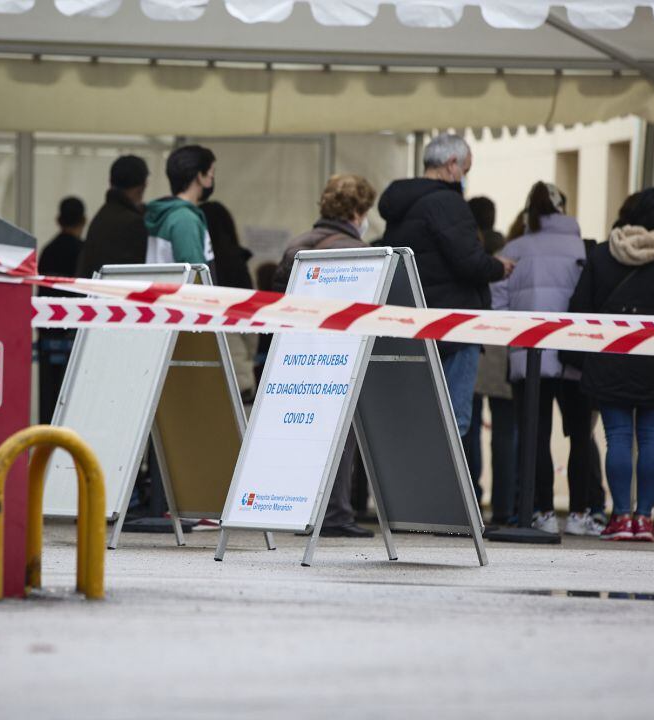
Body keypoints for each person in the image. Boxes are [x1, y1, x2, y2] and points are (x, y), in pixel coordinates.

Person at [569, 188, 654, 542]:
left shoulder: (602, 255)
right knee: (653, 438)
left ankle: (621, 517)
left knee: (618, 439)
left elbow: (579, 309)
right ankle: (645, 519)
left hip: (611, 359)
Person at [377, 133, 514, 438]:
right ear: (451, 165)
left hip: (413, 323)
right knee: (452, 423)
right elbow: (469, 261)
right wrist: (498, 266)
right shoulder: (448, 203)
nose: (465, 178)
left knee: (416, 418)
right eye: (465, 170)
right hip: (453, 326)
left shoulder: (402, 205)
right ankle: (441, 486)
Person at [491, 182, 603, 536]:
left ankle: (541, 510)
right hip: (575, 355)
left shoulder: (514, 249)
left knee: (535, 436)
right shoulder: (582, 250)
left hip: (528, 358)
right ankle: (581, 512)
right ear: (563, 210)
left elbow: (498, 307)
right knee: (580, 436)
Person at [274, 174, 378, 538]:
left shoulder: (296, 246)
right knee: (340, 437)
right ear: (356, 210)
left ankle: (294, 505)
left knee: (301, 434)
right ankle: (335, 513)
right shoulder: (362, 254)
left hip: (297, 355)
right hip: (339, 356)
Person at [464, 196, 517, 525]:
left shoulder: (469, 252)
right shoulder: (508, 252)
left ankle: (471, 497)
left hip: (473, 340)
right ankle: (504, 507)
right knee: (505, 431)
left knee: (468, 427)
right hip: (505, 348)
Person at [201, 201, 258, 400]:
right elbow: (252, 318)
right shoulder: (236, 262)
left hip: (204, 372)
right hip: (238, 369)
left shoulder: (199, 265)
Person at [37, 197, 86, 422]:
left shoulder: (48, 251)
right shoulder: (83, 251)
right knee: (73, 399)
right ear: (84, 220)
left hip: (48, 335)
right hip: (74, 335)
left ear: (58, 220)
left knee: (49, 399)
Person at [77, 155, 150, 277]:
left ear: (110, 181)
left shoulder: (103, 215)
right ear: (142, 186)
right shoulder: (133, 223)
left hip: (93, 292)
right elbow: (135, 274)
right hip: (115, 294)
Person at [145, 145, 215, 266]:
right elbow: (195, 275)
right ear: (200, 176)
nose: (212, 179)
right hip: (178, 285)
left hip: (161, 284)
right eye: (211, 173)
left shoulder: (165, 213)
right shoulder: (185, 219)